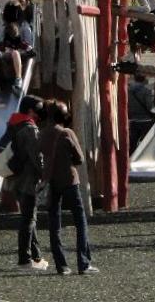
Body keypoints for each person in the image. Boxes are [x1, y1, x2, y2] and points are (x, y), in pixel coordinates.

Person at [39, 101, 99, 275]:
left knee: (54, 224)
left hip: (51, 181)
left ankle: (62, 265)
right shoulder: (67, 133)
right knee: (80, 222)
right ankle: (83, 262)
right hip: (69, 180)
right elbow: (79, 158)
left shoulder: (42, 134)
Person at [0, 95, 48, 271]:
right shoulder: (29, 129)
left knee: (28, 217)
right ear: (31, 111)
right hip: (28, 180)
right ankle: (24, 259)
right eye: (39, 108)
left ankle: (36, 257)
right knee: (28, 219)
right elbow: (36, 156)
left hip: (14, 178)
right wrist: (45, 174)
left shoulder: (13, 124)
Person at [128, 74, 155, 152]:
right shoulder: (146, 91)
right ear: (144, 79)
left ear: (134, 78)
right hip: (145, 120)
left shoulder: (128, 91)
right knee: (146, 143)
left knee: (133, 143)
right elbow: (150, 107)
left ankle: (131, 159)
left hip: (133, 120)